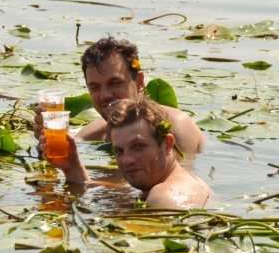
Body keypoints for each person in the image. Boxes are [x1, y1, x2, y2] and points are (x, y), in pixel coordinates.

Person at [34, 36, 206, 184]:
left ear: (139, 82)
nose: (105, 95)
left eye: (115, 83)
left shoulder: (175, 125)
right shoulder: (92, 135)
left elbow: (177, 186)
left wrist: (79, 175)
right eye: (94, 87)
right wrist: (45, 147)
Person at [90, 97, 213, 207]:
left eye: (138, 146)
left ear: (167, 144)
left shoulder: (163, 195)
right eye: (119, 151)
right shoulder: (192, 183)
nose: (127, 160)